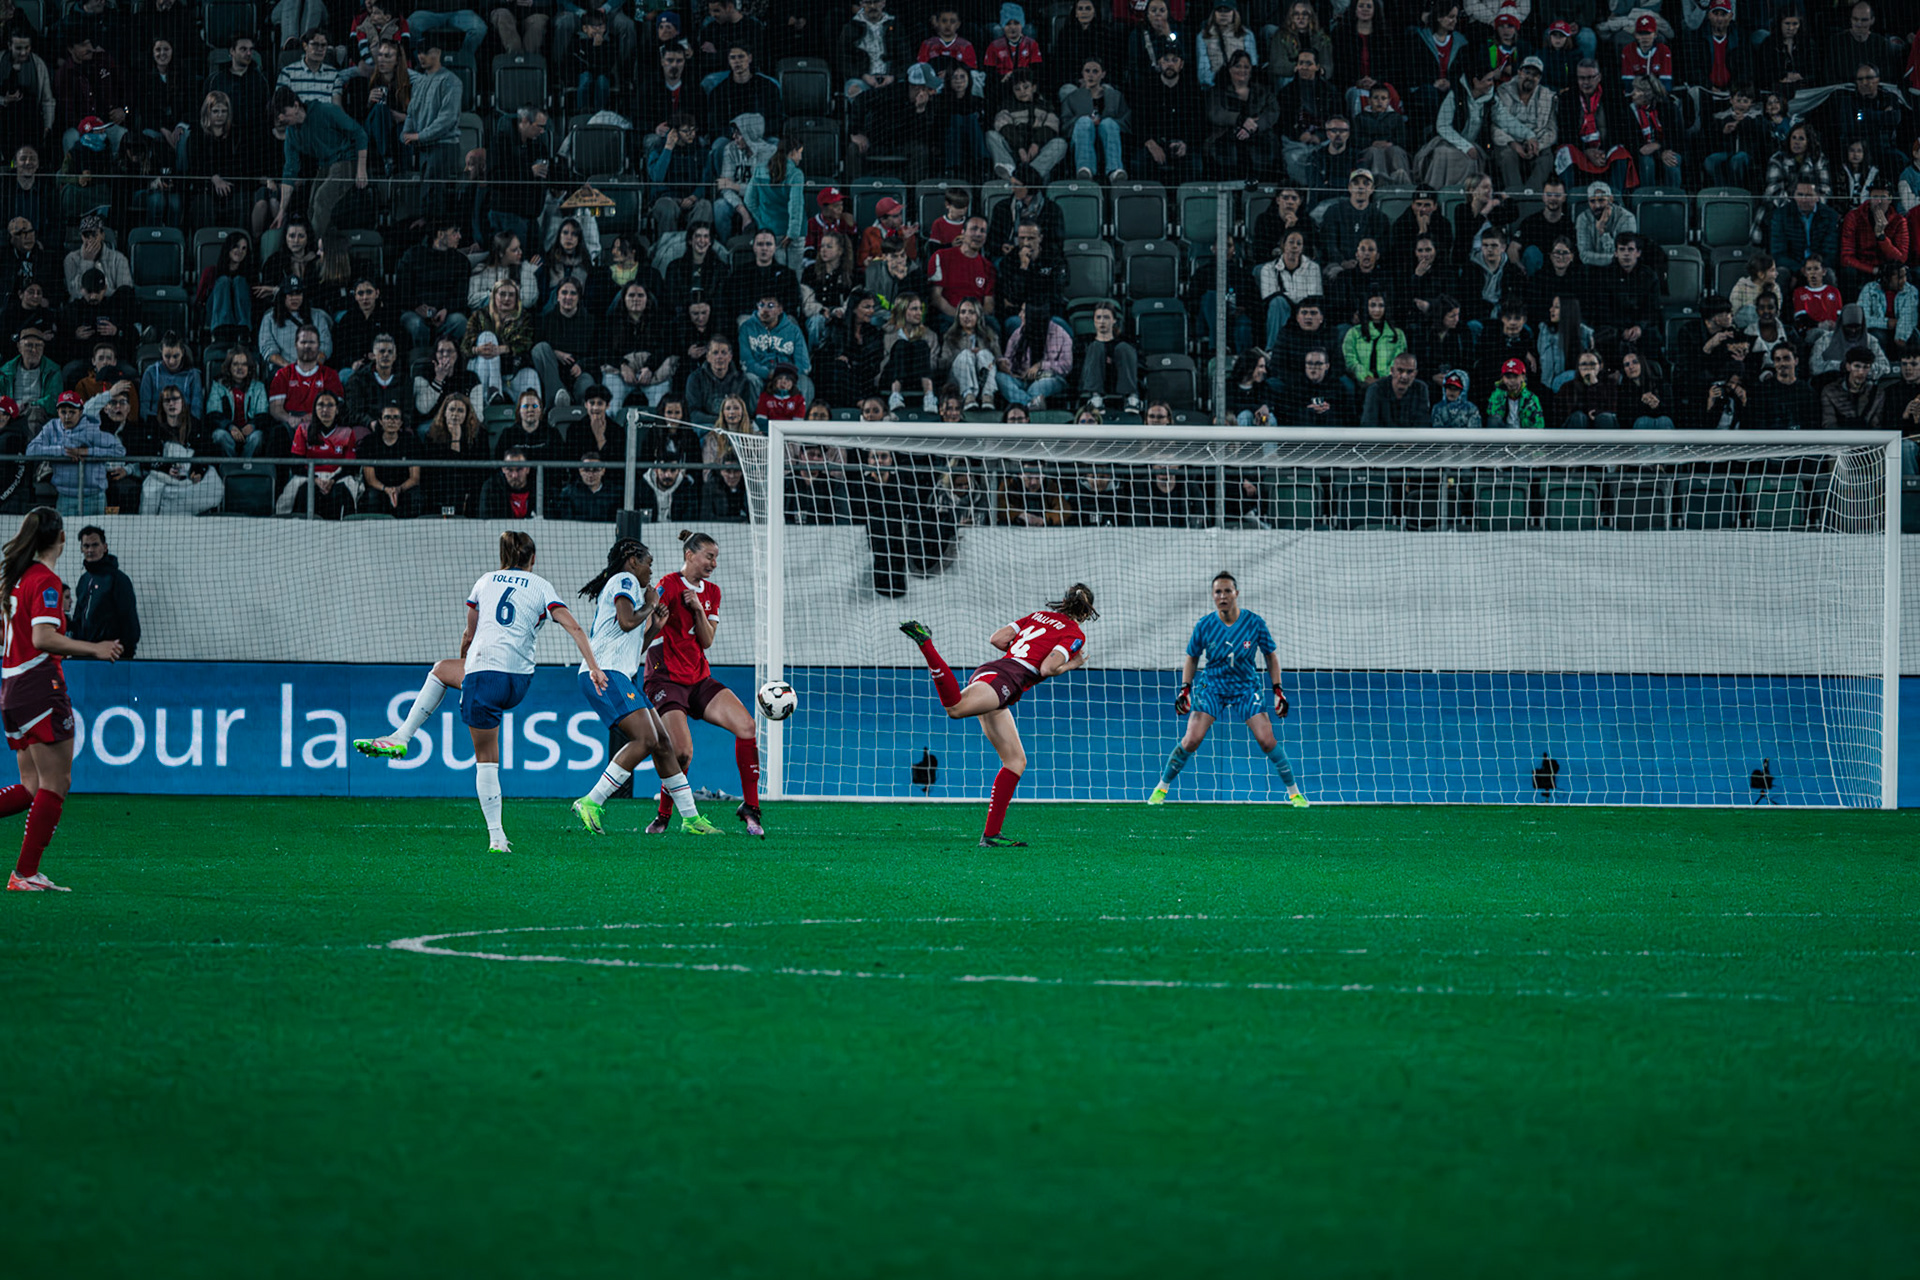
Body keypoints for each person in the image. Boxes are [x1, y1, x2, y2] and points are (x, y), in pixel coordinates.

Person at [354, 532, 603, 853]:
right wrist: (594, 667)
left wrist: (467, 673)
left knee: (483, 754)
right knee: (446, 668)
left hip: (484, 677)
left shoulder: (485, 582)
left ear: (502, 557)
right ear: (533, 559)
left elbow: (469, 635)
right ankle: (401, 737)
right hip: (520, 681)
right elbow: (575, 627)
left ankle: (496, 837)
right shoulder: (542, 585)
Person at [898, 584, 1097, 847]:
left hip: (996, 673)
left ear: (1063, 602)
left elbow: (997, 639)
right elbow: (1048, 668)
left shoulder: (1037, 616)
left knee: (1015, 761)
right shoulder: (1075, 634)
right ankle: (927, 645)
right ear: (1085, 613)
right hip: (1006, 679)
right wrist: (1072, 664)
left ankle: (991, 835)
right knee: (955, 708)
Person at [562, 536, 724, 835]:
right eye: (648, 564)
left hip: (620, 674)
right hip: (605, 674)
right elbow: (626, 621)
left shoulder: (629, 587)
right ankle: (591, 801)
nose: (651, 571)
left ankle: (691, 819)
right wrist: (650, 605)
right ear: (633, 561)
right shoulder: (624, 579)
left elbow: (632, 642)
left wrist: (655, 629)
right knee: (646, 740)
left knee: (663, 743)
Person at [1, 508, 119, 890]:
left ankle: (26, 873)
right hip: (39, 687)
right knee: (57, 782)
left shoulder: (13, 580)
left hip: (11, 689)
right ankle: (25, 873)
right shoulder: (46, 581)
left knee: (32, 785)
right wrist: (94, 648)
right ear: (62, 539)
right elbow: (42, 638)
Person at [642, 530, 767, 836]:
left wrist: (697, 608)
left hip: (698, 677)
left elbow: (707, 641)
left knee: (747, 727)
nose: (713, 563)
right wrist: (656, 619)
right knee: (682, 752)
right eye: (709, 556)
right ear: (690, 555)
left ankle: (751, 806)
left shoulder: (711, 592)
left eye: (716, 558)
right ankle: (663, 815)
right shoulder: (668, 584)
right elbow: (649, 625)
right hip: (665, 676)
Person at [1146, 571, 1304, 807]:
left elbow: (1271, 656)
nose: (1223, 596)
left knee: (1267, 741)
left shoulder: (1254, 623)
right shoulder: (1205, 625)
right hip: (1212, 687)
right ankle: (1161, 788)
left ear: (1236, 594)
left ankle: (1295, 793)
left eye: (1227, 591)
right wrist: (1185, 690)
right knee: (1191, 740)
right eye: (1218, 591)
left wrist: (1278, 691)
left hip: (1246, 688)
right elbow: (1192, 657)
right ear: (1212, 595)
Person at [68, 523, 136, 659]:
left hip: (110, 657)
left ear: (104, 547)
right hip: (84, 655)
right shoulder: (84, 580)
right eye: (86, 546)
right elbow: (79, 617)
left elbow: (129, 621)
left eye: (95, 545)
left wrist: (124, 652)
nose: (90, 550)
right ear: (81, 549)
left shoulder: (118, 579)